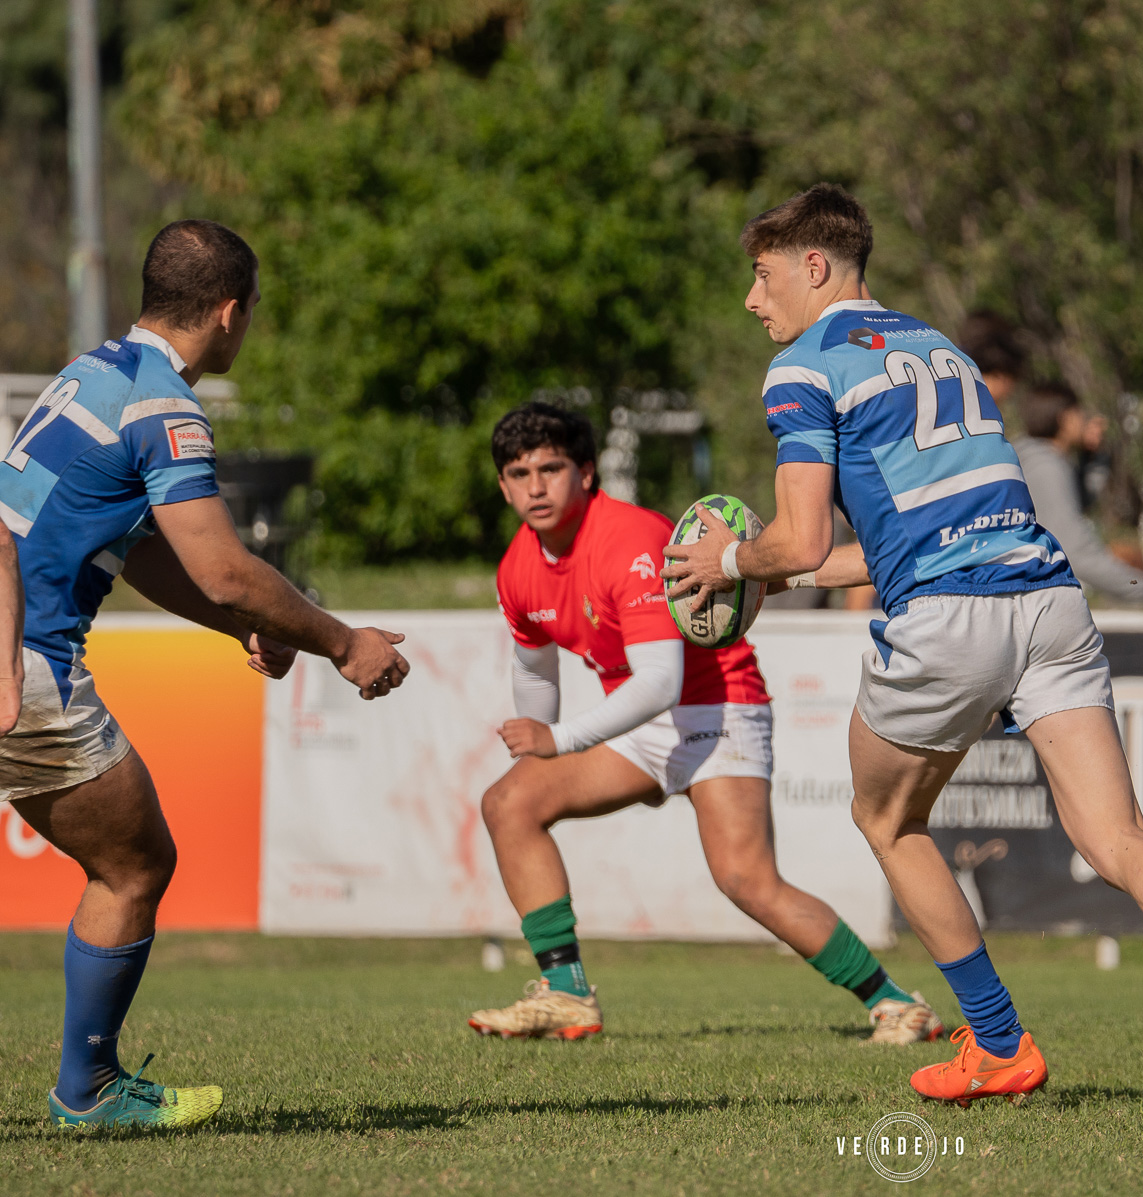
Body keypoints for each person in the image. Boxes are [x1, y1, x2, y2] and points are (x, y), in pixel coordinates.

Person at [663, 184, 1143, 1115]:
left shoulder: (802, 367)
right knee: (1118, 836)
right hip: (1049, 600)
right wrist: (779, 574)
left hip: (946, 619)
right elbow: (915, 526)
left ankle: (998, 1043)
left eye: (761, 274)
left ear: (813, 266)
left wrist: (733, 559)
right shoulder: (941, 348)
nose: (753, 298)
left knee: (888, 822)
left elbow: (802, 535)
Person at [1, 219, 410, 1131]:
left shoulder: (90, 372)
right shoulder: (166, 406)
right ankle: (89, 1090)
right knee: (134, 864)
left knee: (128, 861)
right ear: (230, 314)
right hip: (25, 665)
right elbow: (224, 562)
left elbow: (139, 550)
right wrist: (343, 642)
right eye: (252, 312)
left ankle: (89, 1088)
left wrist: (243, 623)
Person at [469, 402, 941, 1045]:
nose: (535, 486)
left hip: (717, 708)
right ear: (502, 486)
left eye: (551, 468)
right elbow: (535, 668)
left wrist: (559, 739)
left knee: (747, 880)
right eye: (520, 474)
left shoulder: (629, 539)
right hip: (641, 722)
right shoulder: (517, 568)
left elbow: (662, 681)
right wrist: (537, 737)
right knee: (510, 803)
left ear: (586, 474)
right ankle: (566, 993)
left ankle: (895, 1004)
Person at [1013, 382, 1143, 608]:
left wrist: (1093, 457)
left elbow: (1081, 502)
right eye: (1080, 414)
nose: (1085, 421)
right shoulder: (1046, 467)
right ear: (1065, 418)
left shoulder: (1034, 461)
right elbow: (1078, 554)